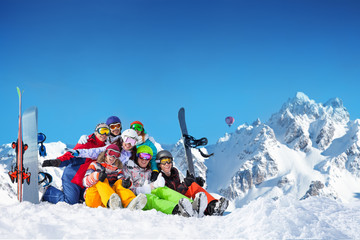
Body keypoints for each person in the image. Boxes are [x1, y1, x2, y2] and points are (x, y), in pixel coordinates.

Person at [123, 145, 207, 217]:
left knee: (162, 189)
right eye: (142, 156)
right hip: (136, 198)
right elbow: (125, 187)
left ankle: (192, 205)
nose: (144, 159)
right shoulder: (129, 168)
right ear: (137, 156)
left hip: (148, 191)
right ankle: (177, 210)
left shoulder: (150, 172)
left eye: (147, 157)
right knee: (150, 198)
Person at [41, 123, 110, 204]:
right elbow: (71, 155)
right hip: (73, 178)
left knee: (87, 201)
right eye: (102, 131)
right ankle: (48, 192)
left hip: (86, 182)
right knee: (70, 202)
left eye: (107, 131)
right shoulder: (86, 142)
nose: (104, 134)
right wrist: (58, 161)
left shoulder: (107, 148)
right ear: (95, 132)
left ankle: (71, 193)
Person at [156, 150, 229, 216]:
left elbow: (178, 187)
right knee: (188, 185)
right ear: (159, 164)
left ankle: (213, 207)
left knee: (193, 185)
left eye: (168, 160)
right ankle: (192, 208)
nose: (167, 164)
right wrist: (186, 184)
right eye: (163, 161)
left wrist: (193, 182)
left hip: (181, 198)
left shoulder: (174, 172)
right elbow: (170, 194)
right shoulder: (159, 177)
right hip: (172, 202)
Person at [83, 144, 147, 210]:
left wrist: (127, 183)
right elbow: (85, 182)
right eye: (111, 153)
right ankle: (111, 200)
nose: (113, 157)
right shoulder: (95, 164)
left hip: (106, 202)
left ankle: (130, 202)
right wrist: (97, 176)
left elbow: (121, 180)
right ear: (106, 154)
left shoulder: (117, 169)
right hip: (93, 199)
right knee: (101, 180)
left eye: (116, 155)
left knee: (120, 182)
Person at [74, 129, 139, 166]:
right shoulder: (113, 148)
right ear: (122, 139)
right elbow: (96, 152)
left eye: (133, 142)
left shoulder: (132, 154)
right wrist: (79, 152)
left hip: (118, 178)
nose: (129, 144)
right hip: (105, 174)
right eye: (127, 140)